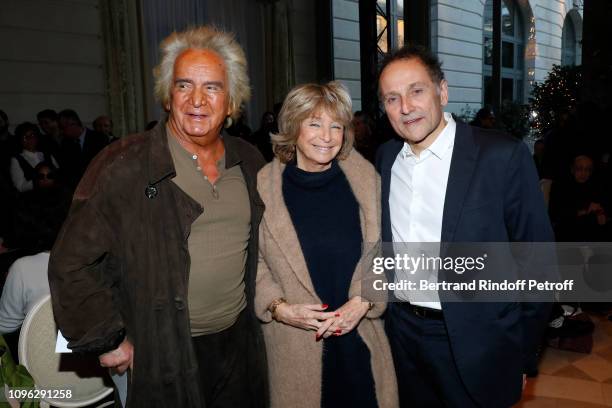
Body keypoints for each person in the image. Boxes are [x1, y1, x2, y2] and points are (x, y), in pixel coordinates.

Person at [48, 26, 268, 408]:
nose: (197, 99)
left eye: (212, 87)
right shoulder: (124, 166)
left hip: (239, 349)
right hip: (162, 354)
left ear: (232, 102)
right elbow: (70, 263)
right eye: (184, 85)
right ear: (168, 97)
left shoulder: (249, 160)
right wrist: (109, 337)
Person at [376, 45, 553, 407]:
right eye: (392, 98)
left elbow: (539, 262)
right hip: (402, 337)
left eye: (416, 91)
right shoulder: (386, 157)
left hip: (479, 342)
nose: (406, 107)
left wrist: (522, 354)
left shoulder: (501, 156)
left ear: (442, 91)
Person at [255, 82, 398, 408]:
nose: (327, 136)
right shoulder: (264, 187)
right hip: (294, 347)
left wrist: (365, 299)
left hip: (359, 341)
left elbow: (385, 251)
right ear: (293, 126)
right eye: (315, 123)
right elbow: (255, 261)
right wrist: (279, 308)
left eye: (336, 126)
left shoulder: (367, 182)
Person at [57, 109, 108, 189]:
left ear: (73, 124)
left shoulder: (99, 139)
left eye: (62, 128)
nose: (61, 132)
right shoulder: (65, 143)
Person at [10, 122, 59, 192]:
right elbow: (19, 186)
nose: (29, 138)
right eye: (25, 137)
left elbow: (58, 174)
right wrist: (38, 181)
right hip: (33, 199)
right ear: (20, 140)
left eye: (32, 135)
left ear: (37, 137)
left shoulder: (47, 154)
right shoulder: (16, 159)